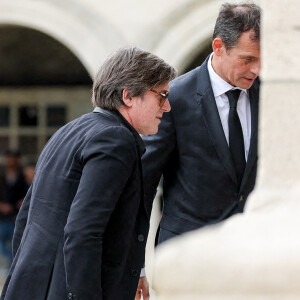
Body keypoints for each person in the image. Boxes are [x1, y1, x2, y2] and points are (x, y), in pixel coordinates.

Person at [1, 47, 176, 300]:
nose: (167, 106)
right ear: (128, 96)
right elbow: (84, 231)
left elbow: (26, 220)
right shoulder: (115, 139)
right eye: (161, 96)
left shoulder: (69, 130)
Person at [142, 2, 261, 244]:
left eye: (262, 59)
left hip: (253, 252)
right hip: (185, 253)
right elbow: (143, 183)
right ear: (219, 47)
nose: (257, 69)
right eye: (247, 59)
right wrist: (136, 264)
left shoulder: (270, 96)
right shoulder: (174, 99)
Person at [0, 150, 28, 266]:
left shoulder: (23, 179)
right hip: (2, 219)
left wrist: (24, 202)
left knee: (16, 247)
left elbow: (28, 193)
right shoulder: (1, 178)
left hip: (16, 218)